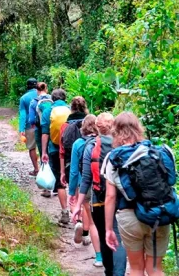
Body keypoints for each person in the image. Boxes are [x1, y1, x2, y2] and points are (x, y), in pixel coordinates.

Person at [105, 112, 175, 276]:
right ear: (138, 128)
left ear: (115, 131)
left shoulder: (115, 157)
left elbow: (110, 197)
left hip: (130, 218)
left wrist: (109, 229)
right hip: (160, 213)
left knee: (136, 268)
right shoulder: (156, 153)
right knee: (155, 269)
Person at [71, 113, 127, 276]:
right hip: (119, 198)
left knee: (103, 236)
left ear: (97, 127)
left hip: (98, 200)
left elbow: (86, 179)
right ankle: (119, 273)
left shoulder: (91, 147)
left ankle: (109, 271)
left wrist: (77, 205)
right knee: (117, 235)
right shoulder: (121, 146)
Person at [68, 114, 103, 267]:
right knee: (107, 221)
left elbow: (74, 171)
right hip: (105, 186)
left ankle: (99, 256)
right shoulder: (104, 141)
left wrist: (71, 192)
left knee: (90, 214)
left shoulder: (78, 143)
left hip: (86, 185)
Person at [41, 89, 70, 223]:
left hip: (54, 149)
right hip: (71, 150)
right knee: (75, 182)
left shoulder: (48, 111)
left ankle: (65, 213)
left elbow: (45, 133)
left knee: (60, 182)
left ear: (52, 99)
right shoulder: (71, 110)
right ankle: (80, 216)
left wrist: (44, 152)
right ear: (64, 98)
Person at [29, 82, 53, 197]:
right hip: (53, 129)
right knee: (53, 154)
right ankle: (57, 185)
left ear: (36, 90)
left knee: (44, 154)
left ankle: (46, 189)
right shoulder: (52, 99)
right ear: (46, 88)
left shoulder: (34, 101)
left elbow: (31, 120)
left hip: (40, 130)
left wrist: (34, 126)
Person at [19, 78, 39, 176]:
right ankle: (46, 169)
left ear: (27, 86)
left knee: (32, 148)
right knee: (44, 149)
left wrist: (21, 129)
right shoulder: (43, 95)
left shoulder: (24, 98)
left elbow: (23, 114)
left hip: (29, 126)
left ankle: (36, 169)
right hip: (43, 126)